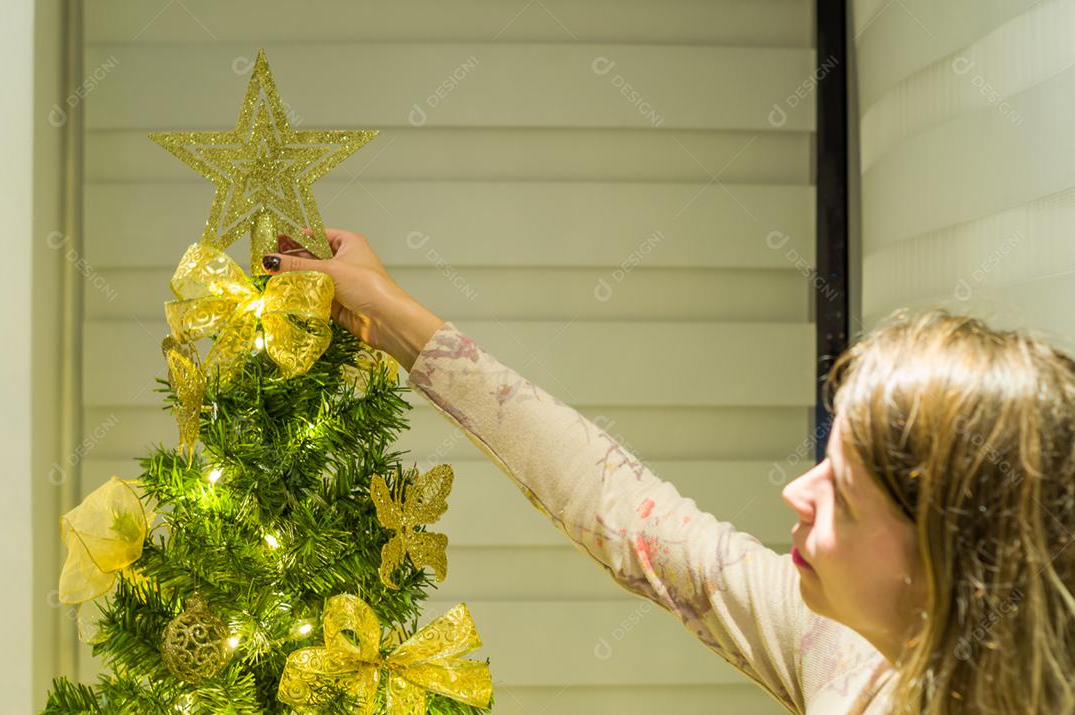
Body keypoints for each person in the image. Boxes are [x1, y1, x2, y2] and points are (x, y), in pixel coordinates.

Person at [263, 228, 1075, 714]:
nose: (796, 492)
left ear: (954, 563)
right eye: (826, 457)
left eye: (848, 498)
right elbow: (621, 505)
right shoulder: (846, 649)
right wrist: (391, 314)